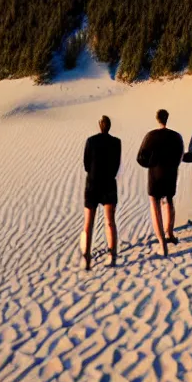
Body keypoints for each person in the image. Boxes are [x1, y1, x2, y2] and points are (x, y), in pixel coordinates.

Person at [137, 109, 184, 256]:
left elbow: (140, 157)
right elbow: (180, 155)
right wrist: (172, 166)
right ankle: (169, 233)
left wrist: (150, 164)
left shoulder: (151, 135)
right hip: (170, 173)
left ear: (157, 119)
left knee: (154, 203)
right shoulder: (176, 136)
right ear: (167, 118)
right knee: (169, 200)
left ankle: (162, 243)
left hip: (155, 174)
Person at [81, 115, 121, 270]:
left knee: (88, 223)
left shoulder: (91, 141)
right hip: (109, 184)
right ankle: (112, 255)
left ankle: (86, 256)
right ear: (109, 126)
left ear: (99, 125)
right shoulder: (116, 142)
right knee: (110, 221)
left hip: (92, 184)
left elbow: (86, 164)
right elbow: (117, 164)